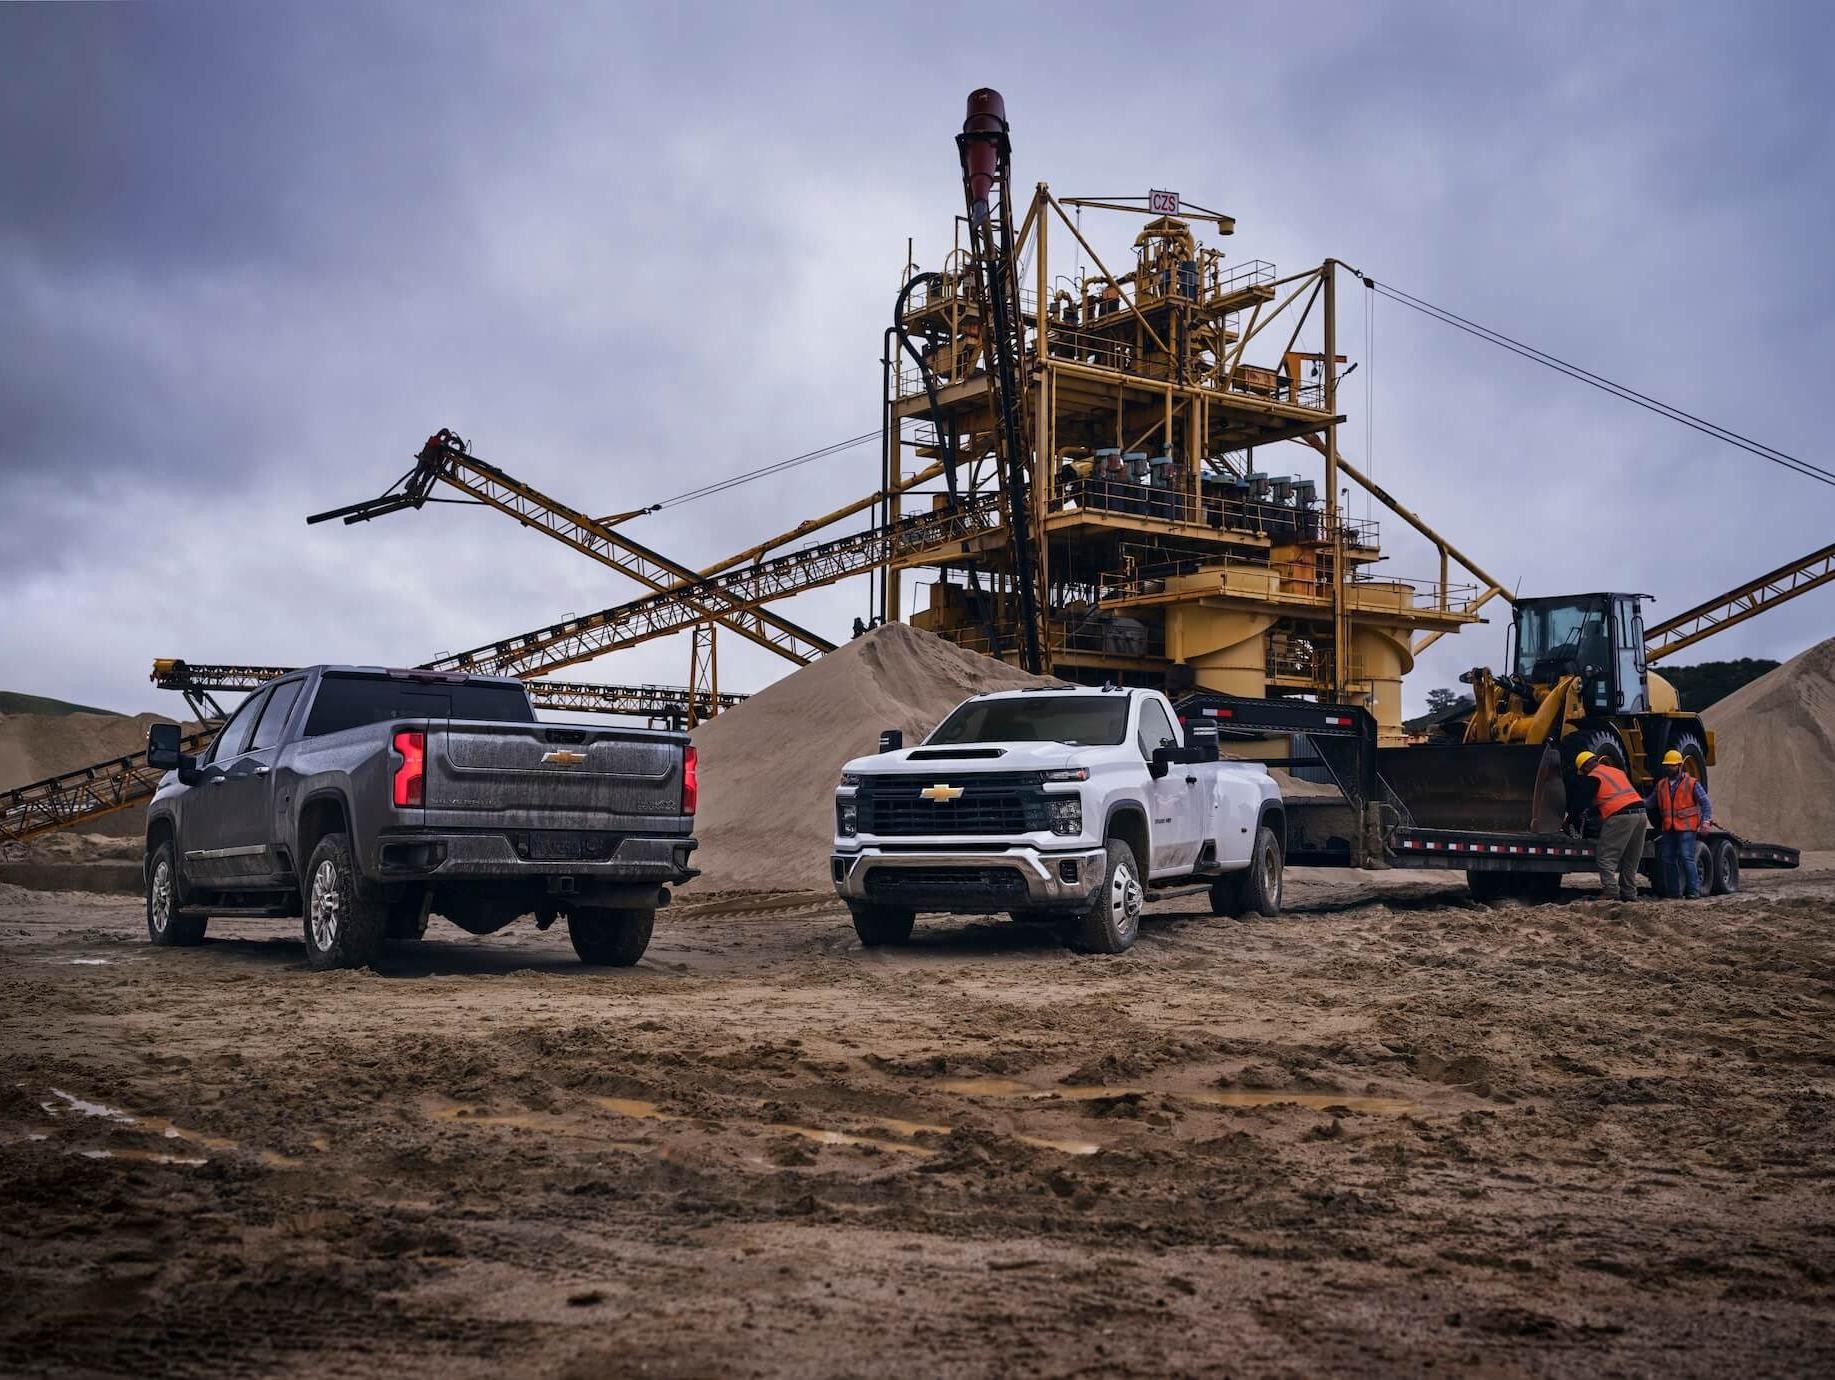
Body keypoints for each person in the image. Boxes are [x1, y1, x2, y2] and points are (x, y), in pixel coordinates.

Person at [1570, 750, 1648, 901]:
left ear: (1585, 768)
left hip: (1620, 817)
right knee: (1631, 859)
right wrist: (1592, 813)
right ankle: (1629, 893)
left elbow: (1581, 802)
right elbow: (1613, 796)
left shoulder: (1593, 777)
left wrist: (1570, 821)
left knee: (1605, 857)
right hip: (1641, 814)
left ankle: (1611, 891)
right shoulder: (1616, 771)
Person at [1647, 749, 1715, 899]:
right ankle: (1674, 892)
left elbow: (1705, 803)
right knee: (1667, 859)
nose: (1668, 768)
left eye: (1672, 765)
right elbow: (1650, 803)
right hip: (1668, 828)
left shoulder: (1692, 783)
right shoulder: (1661, 785)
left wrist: (1705, 821)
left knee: (1686, 858)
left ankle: (1693, 891)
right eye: (1667, 765)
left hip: (1686, 828)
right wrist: (1632, 802)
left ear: (1680, 766)